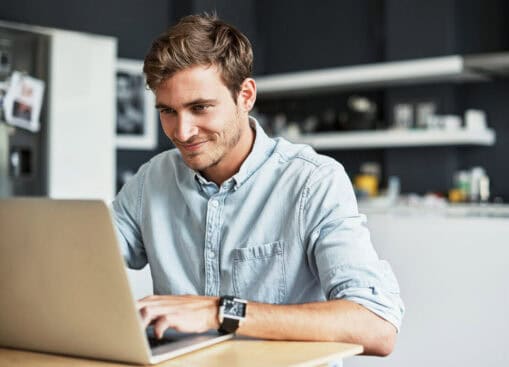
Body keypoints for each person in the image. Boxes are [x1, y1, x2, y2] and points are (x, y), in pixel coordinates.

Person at [112, 14, 404, 356]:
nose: (182, 131)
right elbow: (87, 260)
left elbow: (377, 325)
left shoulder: (313, 181)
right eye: (168, 111)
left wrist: (219, 311)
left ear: (245, 95)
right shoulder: (152, 179)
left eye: (200, 107)